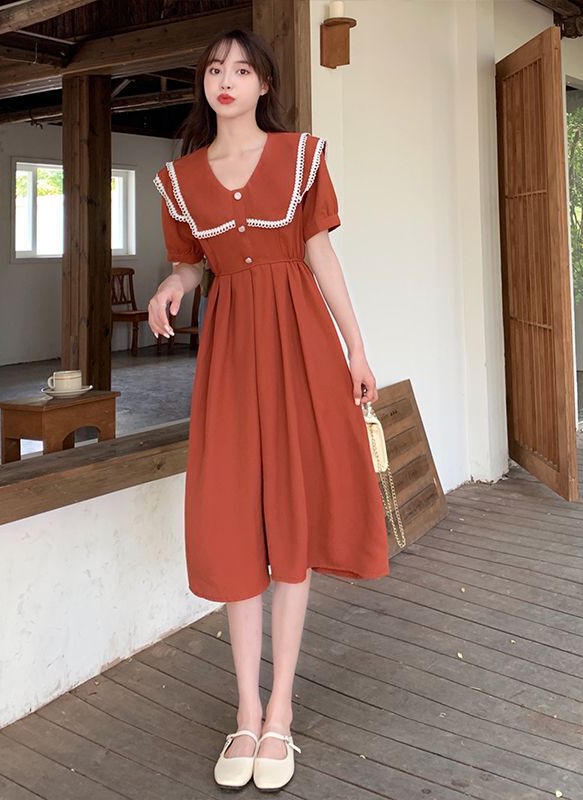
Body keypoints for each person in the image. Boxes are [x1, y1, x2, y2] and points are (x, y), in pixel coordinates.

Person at [149, 28, 389, 793]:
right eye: (215, 69)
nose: (226, 80)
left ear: (263, 84)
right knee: (233, 522)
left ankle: (279, 708)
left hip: (302, 348)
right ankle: (245, 711)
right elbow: (192, 262)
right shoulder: (181, 178)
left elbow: (320, 255)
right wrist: (174, 285)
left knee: (290, 518)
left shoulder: (300, 157)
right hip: (231, 360)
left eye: (242, 69)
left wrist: (356, 349)